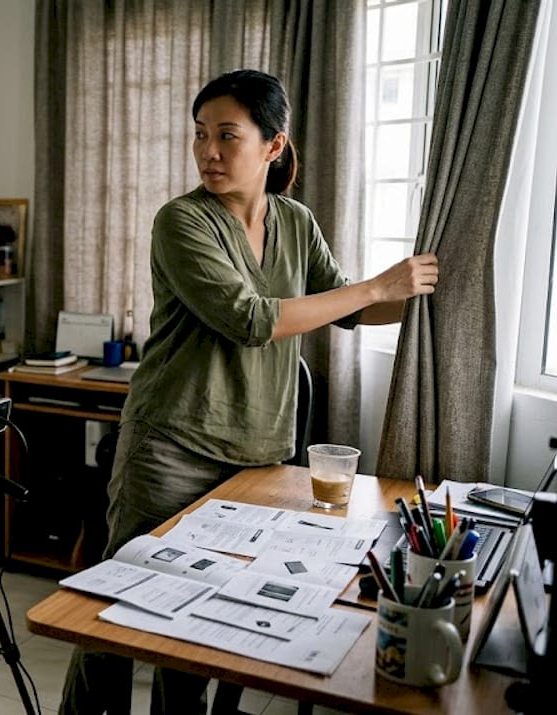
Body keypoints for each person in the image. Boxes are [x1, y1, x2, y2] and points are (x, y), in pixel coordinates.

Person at [58, 69, 438, 715]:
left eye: (226, 135)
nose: (208, 149)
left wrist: (419, 298)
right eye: (201, 134)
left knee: (204, 616)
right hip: (171, 445)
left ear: (272, 145)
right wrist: (377, 287)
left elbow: (341, 308)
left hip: (257, 454)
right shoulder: (182, 221)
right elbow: (252, 319)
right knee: (120, 610)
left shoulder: (295, 219)